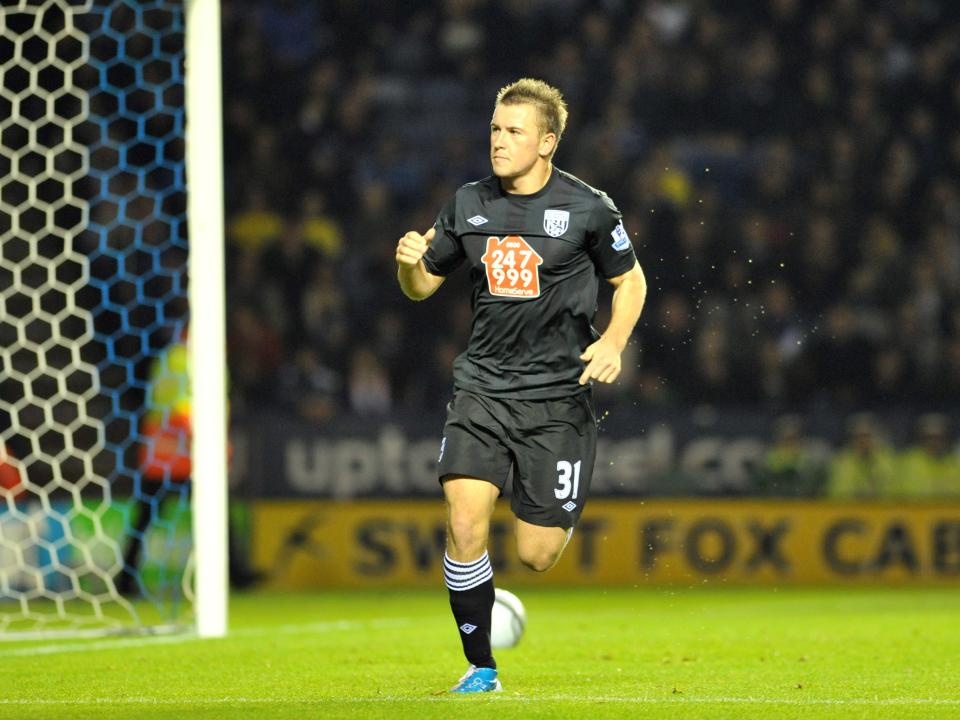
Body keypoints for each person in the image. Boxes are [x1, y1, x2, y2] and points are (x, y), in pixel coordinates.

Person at [395, 78, 647, 693]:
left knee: (536, 553)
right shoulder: (468, 203)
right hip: (482, 387)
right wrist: (407, 266)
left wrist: (612, 343)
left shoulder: (589, 207)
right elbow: (423, 287)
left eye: (513, 131)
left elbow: (631, 282)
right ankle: (481, 667)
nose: (498, 141)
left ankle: (514, 557)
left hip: (558, 399)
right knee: (464, 522)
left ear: (548, 142)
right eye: (494, 129)